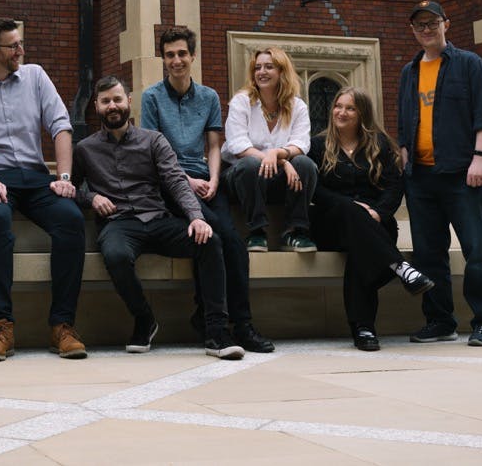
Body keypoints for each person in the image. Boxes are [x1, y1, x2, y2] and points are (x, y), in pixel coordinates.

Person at [0, 17, 87, 362]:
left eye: (20, 43)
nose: (21, 50)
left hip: (36, 179)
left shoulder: (35, 76)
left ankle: (63, 326)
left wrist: (64, 177)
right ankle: (1, 327)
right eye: (13, 46)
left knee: (71, 220)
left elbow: (61, 126)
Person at [74, 76, 245, 359]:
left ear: (129, 102)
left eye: (117, 99)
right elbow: (72, 189)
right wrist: (91, 197)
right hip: (119, 223)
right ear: (97, 106)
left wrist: (196, 217)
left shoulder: (153, 140)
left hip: (157, 218)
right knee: (116, 255)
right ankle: (144, 319)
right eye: (105, 101)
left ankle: (216, 332)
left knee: (210, 241)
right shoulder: (85, 149)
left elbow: (176, 180)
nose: (112, 106)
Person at [140, 26, 275, 353]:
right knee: (212, 237)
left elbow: (214, 146)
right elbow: (153, 154)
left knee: (234, 243)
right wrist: (186, 181)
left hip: (207, 182)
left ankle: (240, 324)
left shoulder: (209, 97)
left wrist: (214, 180)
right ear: (162, 59)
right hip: (170, 185)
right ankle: (214, 320)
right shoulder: (151, 97)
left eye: (182, 54)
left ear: (193, 56)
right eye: (169, 55)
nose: (176, 60)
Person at [398, 0, 482, 347]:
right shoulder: (409, 71)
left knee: (477, 250)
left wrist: (480, 157)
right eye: (420, 25)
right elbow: (405, 120)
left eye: (432, 23)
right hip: (421, 178)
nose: (427, 29)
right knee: (429, 255)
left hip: (463, 173)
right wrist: (404, 153)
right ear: (413, 30)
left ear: (446, 24)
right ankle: (440, 321)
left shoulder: (469, 64)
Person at [307, 87, 434, 351]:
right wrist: (351, 207)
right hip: (331, 224)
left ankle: (363, 330)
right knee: (352, 215)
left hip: (376, 223)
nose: (341, 112)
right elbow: (315, 189)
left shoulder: (379, 145)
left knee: (361, 252)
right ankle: (400, 267)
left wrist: (378, 212)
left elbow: (394, 186)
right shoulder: (317, 145)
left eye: (350, 108)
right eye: (338, 106)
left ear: (362, 114)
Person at [221, 47, 318, 252]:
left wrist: (277, 154)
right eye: (257, 68)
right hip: (241, 178)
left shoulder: (298, 106)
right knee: (250, 164)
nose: (261, 72)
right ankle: (256, 232)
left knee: (305, 164)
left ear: (282, 72)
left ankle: (295, 231)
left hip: (278, 180)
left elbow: (301, 143)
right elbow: (237, 144)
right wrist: (281, 161)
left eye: (268, 67)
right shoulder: (242, 101)